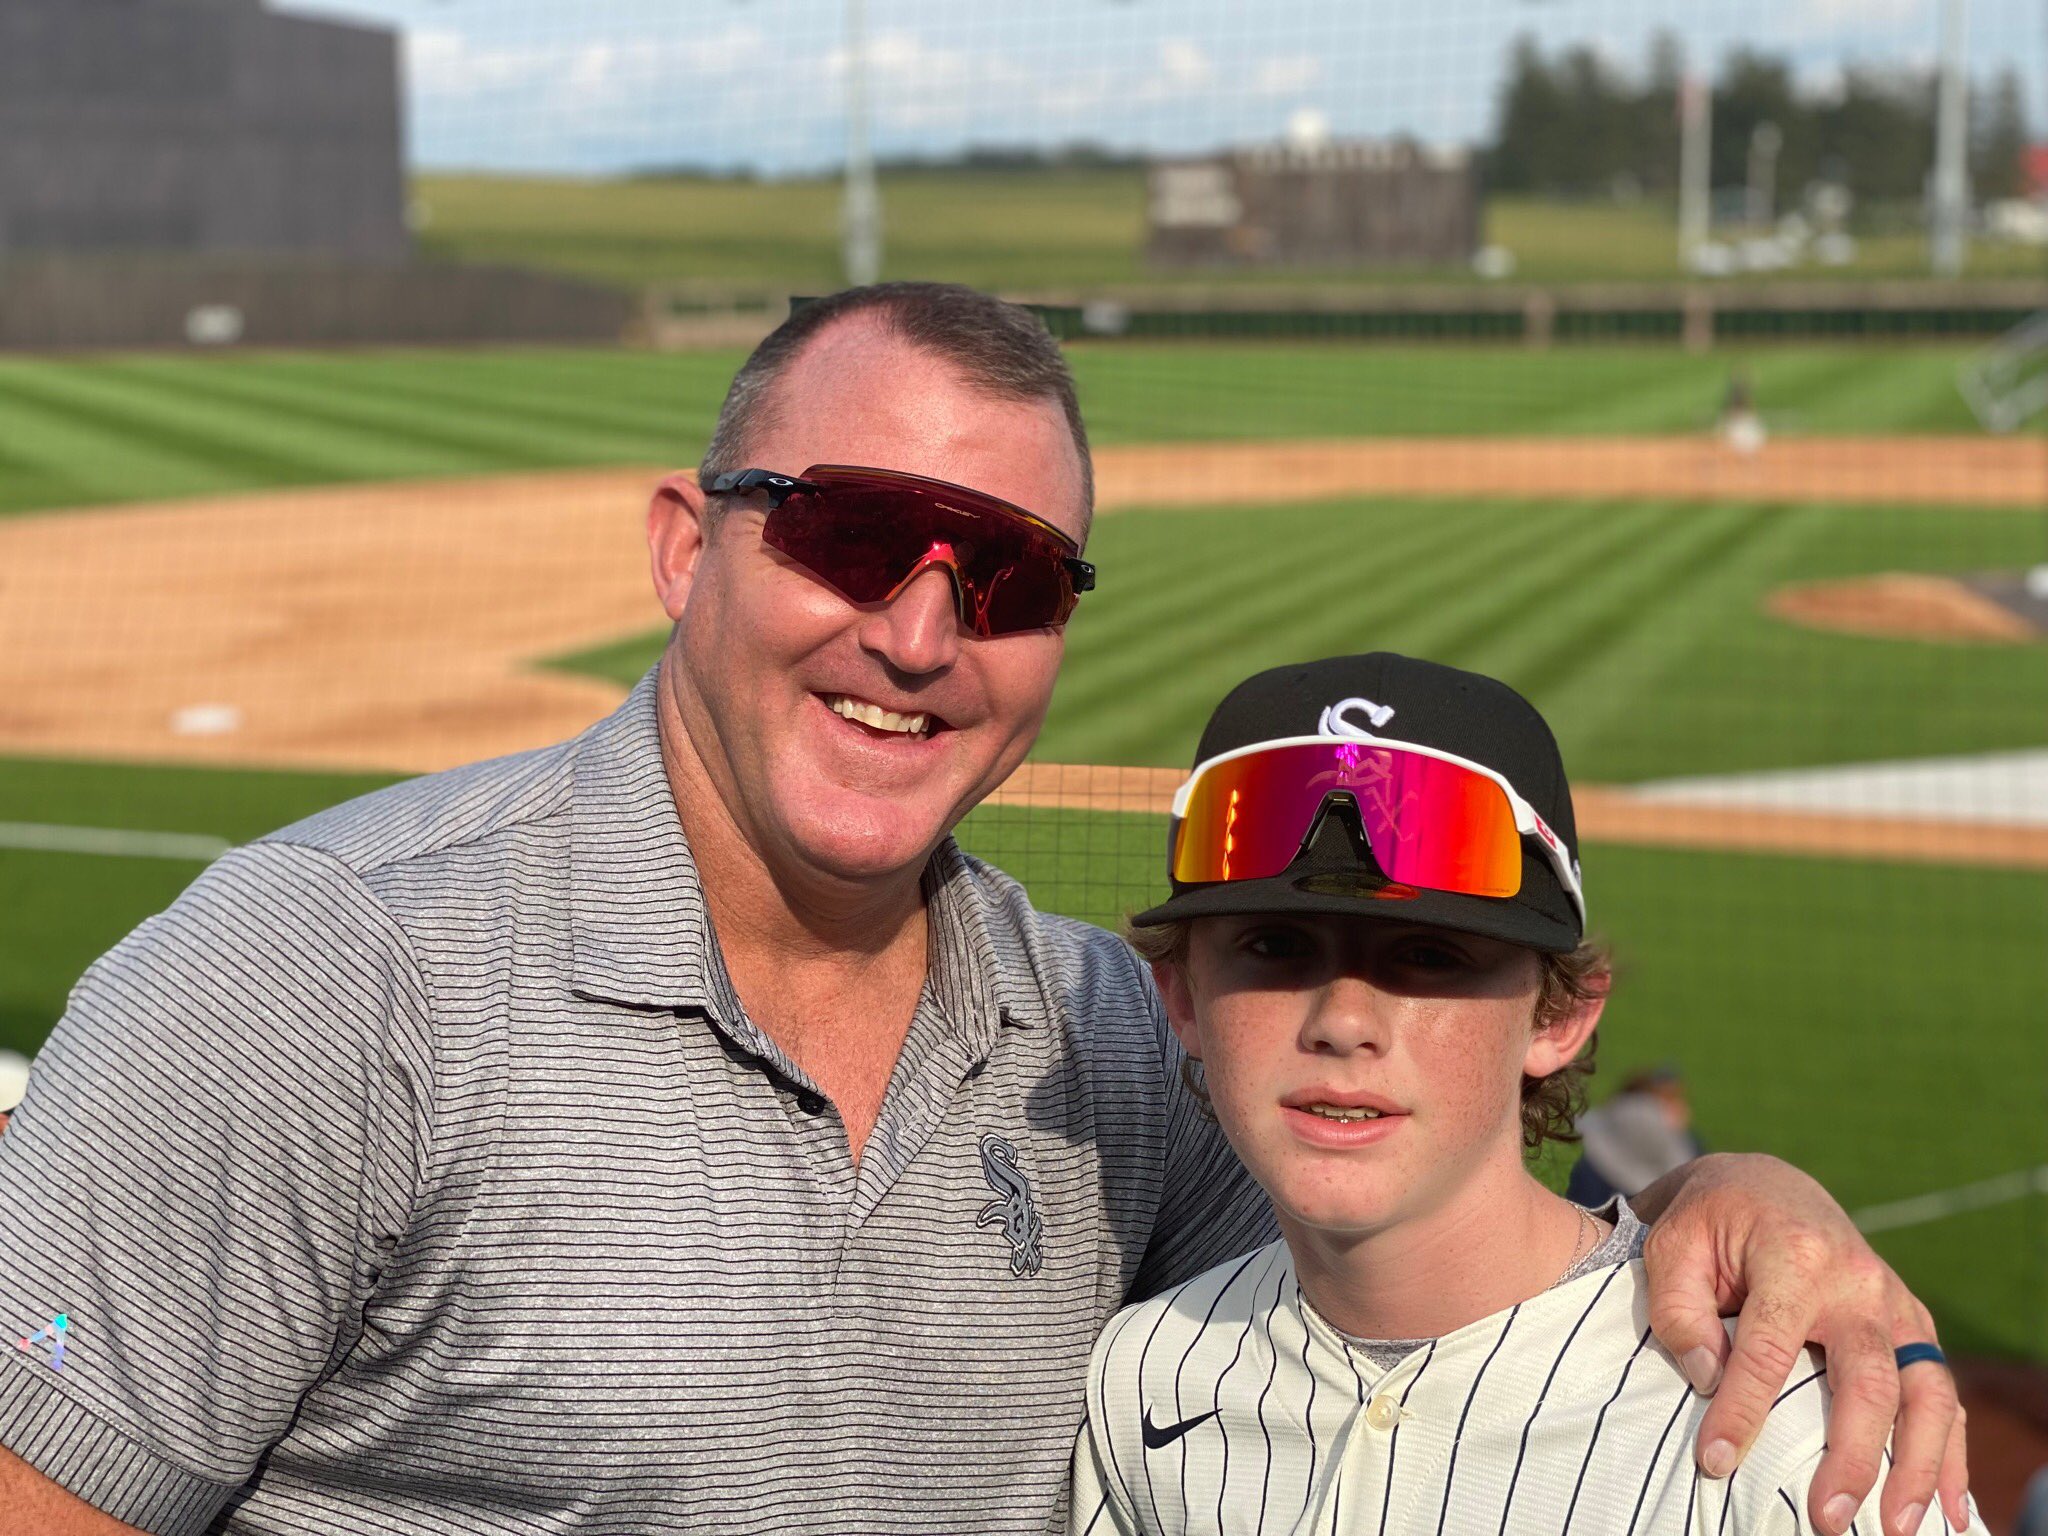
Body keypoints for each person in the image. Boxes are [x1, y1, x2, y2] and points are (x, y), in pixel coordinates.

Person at [0, 284, 1964, 1535]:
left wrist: (1736, 1197)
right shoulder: (318, 980)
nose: (921, 631)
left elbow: (1430, 1239)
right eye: (851, 532)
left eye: (1009, 576)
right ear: (687, 548)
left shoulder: (1103, 1039)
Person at [1072, 652, 1978, 1536]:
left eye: (1430, 955)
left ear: (1561, 1017)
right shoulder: (1144, 1378)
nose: (1343, 1019)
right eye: (1275, 945)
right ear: (1183, 998)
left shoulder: (1789, 1433)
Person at [1565, 1065, 1706, 1207]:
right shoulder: (1648, 1117)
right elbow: (1680, 1166)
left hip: (1599, 1169)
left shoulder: (1619, 1108)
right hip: (1623, 1186)